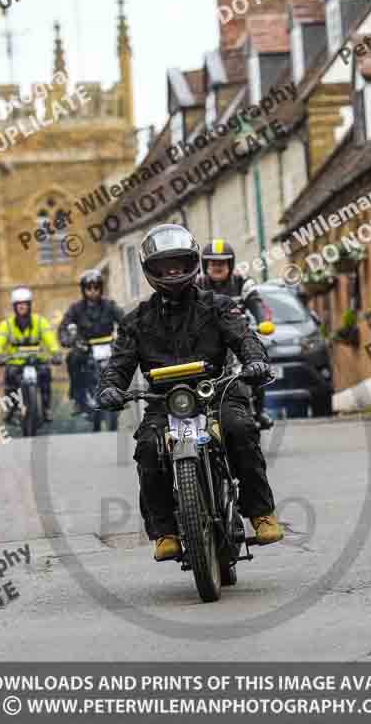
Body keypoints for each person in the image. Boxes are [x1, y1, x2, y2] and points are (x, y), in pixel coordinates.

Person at [98, 224, 284, 561]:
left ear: (191, 264)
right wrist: (110, 387)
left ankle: (261, 513)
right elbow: (120, 363)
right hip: (163, 400)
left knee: (240, 429)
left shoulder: (219, 305)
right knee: (147, 449)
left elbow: (244, 338)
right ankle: (165, 531)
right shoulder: (136, 321)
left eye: (178, 265)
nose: (172, 272)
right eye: (164, 267)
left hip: (218, 390)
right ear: (150, 271)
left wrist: (255, 361)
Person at [197, 240, 273, 430]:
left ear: (230, 264)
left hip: (238, 339)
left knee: (257, 364)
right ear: (205, 265)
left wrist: (263, 321)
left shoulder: (242, 282)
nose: (217, 267)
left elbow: (256, 303)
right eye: (213, 263)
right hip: (207, 343)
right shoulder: (196, 285)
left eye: (222, 263)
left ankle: (260, 410)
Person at [0, 287, 62, 422]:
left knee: (46, 374)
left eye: (24, 303)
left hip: (37, 361)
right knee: (9, 377)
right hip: (15, 363)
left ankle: (46, 409)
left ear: (29, 305)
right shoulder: (6, 325)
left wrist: (56, 353)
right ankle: (12, 409)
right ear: (14, 306)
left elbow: (50, 338)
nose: (22, 306)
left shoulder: (40, 322)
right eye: (18, 304)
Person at [58, 269, 124, 415]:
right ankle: (77, 398)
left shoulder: (110, 305)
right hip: (85, 348)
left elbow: (124, 321)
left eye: (96, 287)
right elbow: (64, 327)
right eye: (89, 288)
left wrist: (127, 335)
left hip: (108, 345)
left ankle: (123, 393)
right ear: (83, 290)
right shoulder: (75, 308)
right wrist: (67, 339)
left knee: (125, 358)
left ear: (101, 288)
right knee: (72, 358)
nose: (93, 291)